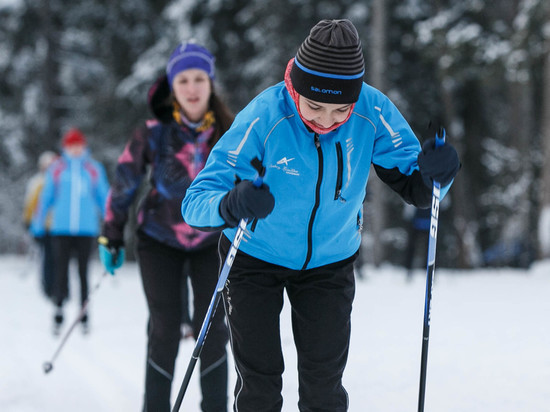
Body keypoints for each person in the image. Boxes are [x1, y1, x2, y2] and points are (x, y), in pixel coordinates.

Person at [181, 19, 461, 411]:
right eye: (314, 106)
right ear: (295, 87)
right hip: (253, 259)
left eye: (340, 109)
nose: (326, 120)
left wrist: (440, 173)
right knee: (259, 387)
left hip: (330, 262)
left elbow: (419, 187)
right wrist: (232, 204)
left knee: (324, 389)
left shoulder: (373, 111)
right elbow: (196, 200)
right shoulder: (264, 116)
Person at [98, 41, 234, 412]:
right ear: (173, 87)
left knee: (213, 331)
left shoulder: (229, 131)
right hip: (159, 239)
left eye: (199, 79)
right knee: (165, 328)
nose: (192, 88)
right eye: (184, 80)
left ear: (210, 84)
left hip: (212, 243)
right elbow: (125, 180)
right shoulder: (154, 131)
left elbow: (250, 180)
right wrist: (111, 234)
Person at [32, 128, 109, 335]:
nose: (75, 149)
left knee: (83, 272)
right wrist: (38, 225)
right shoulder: (57, 168)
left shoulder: (93, 169)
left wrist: (112, 222)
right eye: (71, 145)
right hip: (61, 229)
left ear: (83, 146)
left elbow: (104, 197)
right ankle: (58, 309)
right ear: (65, 147)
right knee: (60, 270)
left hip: (86, 230)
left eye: (78, 145)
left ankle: (84, 313)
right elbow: (46, 197)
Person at [23, 150, 58, 298]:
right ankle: (48, 286)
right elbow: (30, 204)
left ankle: (59, 286)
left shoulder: (59, 181)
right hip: (43, 227)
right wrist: (28, 222)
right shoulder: (36, 182)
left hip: (58, 227)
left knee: (58, 258)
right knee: (47, 258)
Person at [403, 205, 432, 279]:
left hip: (421, 222)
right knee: (429, 248)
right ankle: (409, 271)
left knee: (429, 248)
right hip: (419, 222)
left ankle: (429, 272)